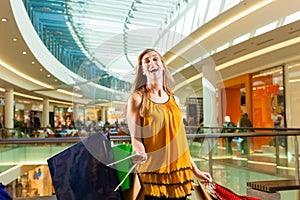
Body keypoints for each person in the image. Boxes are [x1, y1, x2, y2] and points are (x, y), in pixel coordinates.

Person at [126, 49, 212, 199]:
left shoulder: (175, 100)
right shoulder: (137, 99)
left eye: (155, 59)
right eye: (146, 61)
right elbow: (136, 138)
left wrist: (196, 170)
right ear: (142, 70)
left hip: (179, 172)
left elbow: (179, 141)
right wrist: (140, 152)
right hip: (154, 172)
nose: (152, 63)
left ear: (163, 65)